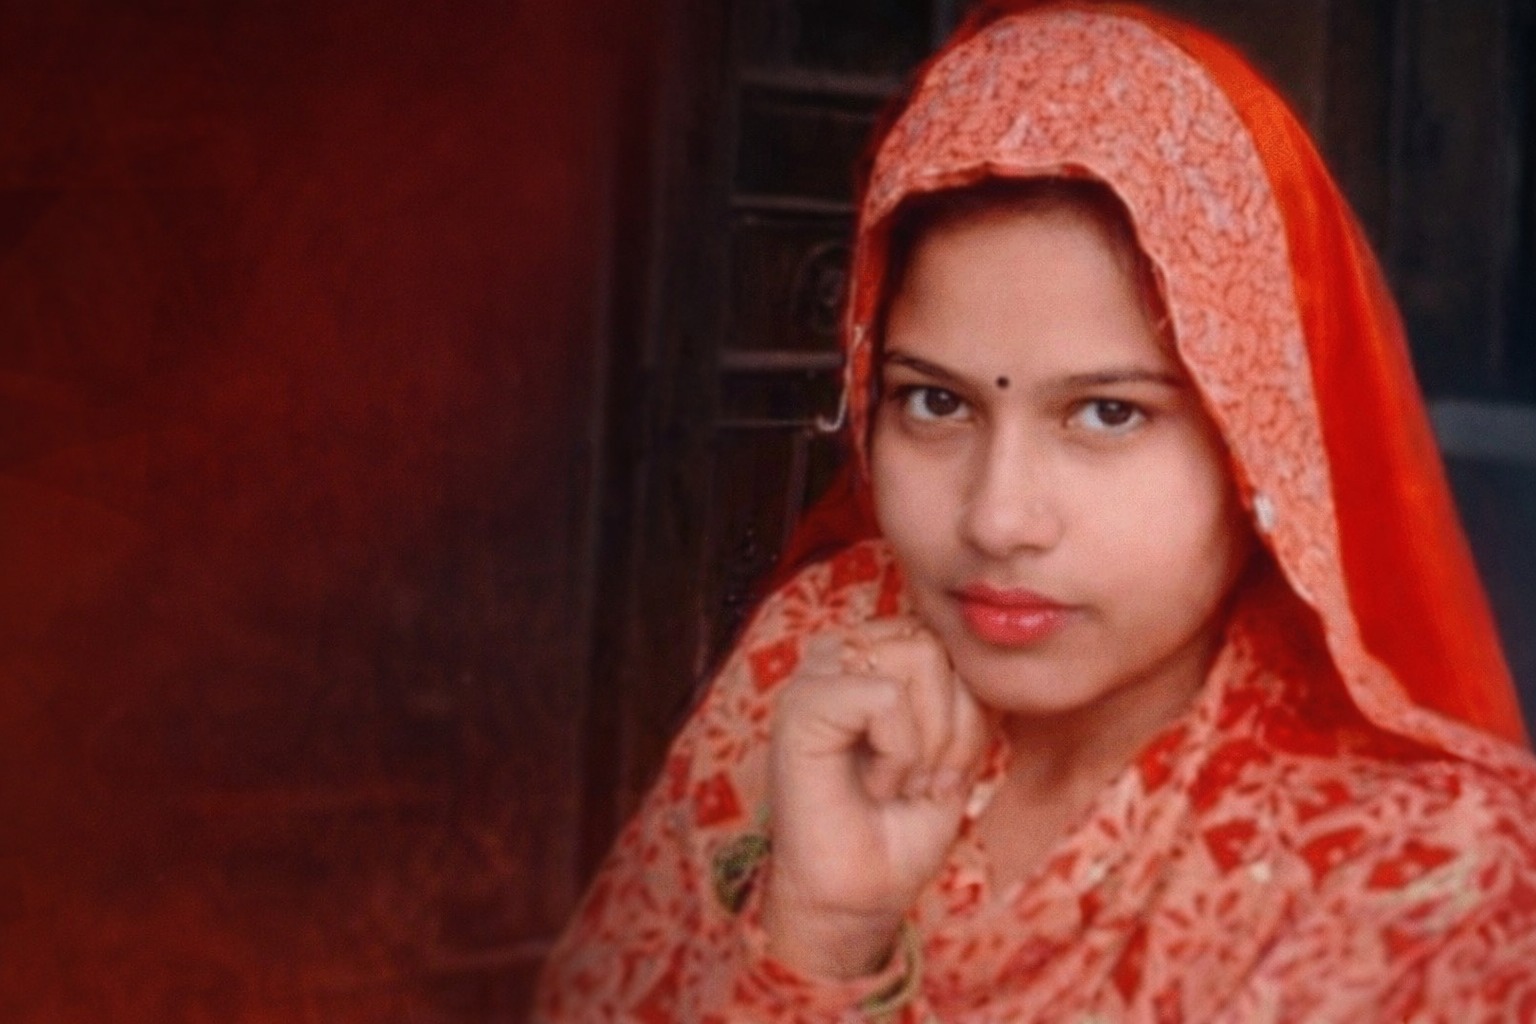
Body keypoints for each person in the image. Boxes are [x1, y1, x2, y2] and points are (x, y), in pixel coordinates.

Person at [533, 2, 1536, 1020]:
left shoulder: (1427, 873)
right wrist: (820, 932)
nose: (997, 519)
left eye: (1107, 412)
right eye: (936, 402)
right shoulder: (825, 647)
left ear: (1258, 439)